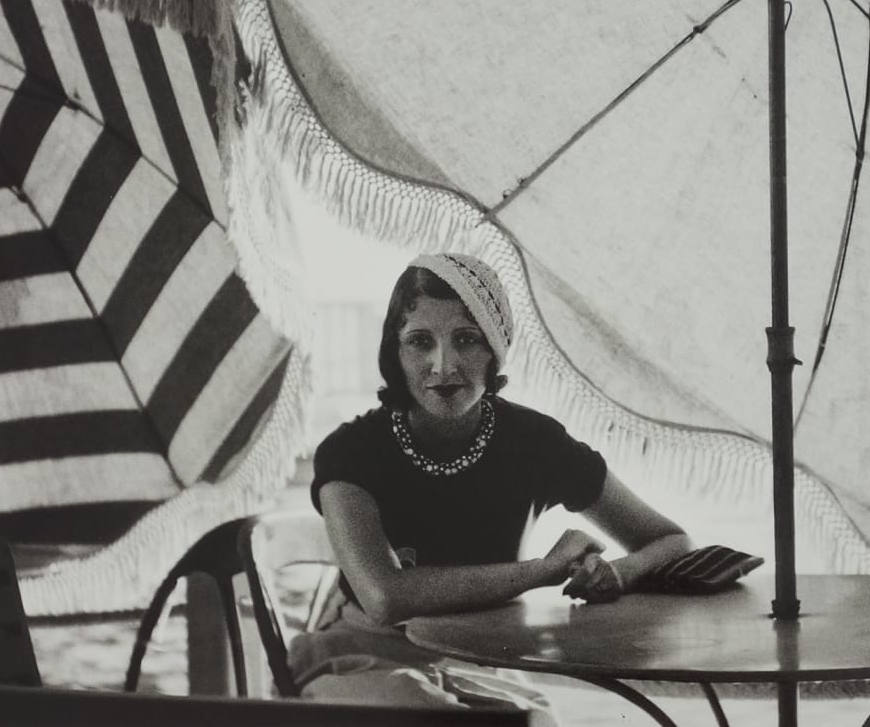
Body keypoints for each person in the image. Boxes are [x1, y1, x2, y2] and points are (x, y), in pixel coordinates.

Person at [291, 253, 692, 719]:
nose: (444, 365)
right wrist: (544, 570)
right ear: (395, 354)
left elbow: (671, 540)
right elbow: (384, 598)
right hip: (366, 659)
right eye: (420, 341)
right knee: (425, 715)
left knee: (534, 724)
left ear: (496, 350)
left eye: (466, 339)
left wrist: (620, 573)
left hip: (483, 662)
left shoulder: (535, 441)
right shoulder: (349, 452)